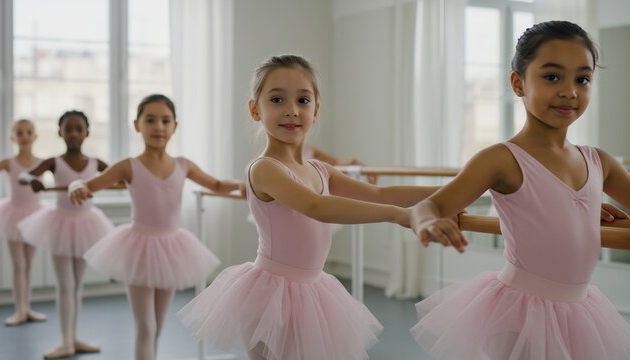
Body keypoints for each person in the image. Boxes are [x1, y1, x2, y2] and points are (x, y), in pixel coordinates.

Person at [178, 54, 440, 360]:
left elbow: (379, 193)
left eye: (303, 100)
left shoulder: (320, 169)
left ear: (316, 109)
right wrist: (400, 215)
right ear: (255, 109)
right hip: (271, 295)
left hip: (314, 290)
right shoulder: (265, 168)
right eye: (277, 99)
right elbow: (317, 206)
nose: (291, 110)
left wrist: (461, 188)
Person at [409, 21, 630, 359]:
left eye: (583, 79)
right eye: (552, 77)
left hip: (582, 310)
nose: (570, 91)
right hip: (522, 312)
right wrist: (428, 222)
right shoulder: (501, 159)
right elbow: (428, 206)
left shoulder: (598, 161)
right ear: (518, 83)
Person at [69, 94, 243, 360]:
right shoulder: (129, 166)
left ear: (175, 126)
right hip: (138, 248)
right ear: (137, 125)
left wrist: (246, 185)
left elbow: (217, 185)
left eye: (165, 120)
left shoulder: (183, 165)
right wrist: (76, 186)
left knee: (158, 327)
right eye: (150, 120)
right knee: (146, 326)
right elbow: (89, 184)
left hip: (173, 250)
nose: (158, 127)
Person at [18, 111, 113, 359]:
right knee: (65, 285)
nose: (73, 134)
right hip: (59, 224)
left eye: (78, 129)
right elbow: (24, 175)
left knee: (78, 286)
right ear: (60, 132)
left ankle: (74, 338)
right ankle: (65, 341)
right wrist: (32, 181)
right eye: (68, 129)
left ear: (87, 133)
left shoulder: (95, 163)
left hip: (87, 225)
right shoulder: (53, 162)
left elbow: (121, 176)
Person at [0, 119, 47, 326]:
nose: (24, 136)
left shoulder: (42, 163)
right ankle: (19, 310)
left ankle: (27, 308)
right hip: (14, 217)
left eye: (28, 132)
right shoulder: (9, 162)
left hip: (36, 217)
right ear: (13, 138)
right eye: (19, 132)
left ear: (35, 137)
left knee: (28, 266)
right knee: (19, 265)